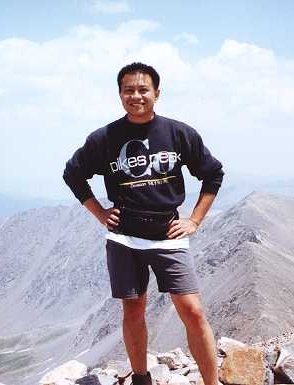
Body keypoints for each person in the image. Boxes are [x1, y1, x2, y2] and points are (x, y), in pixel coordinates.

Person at [63, 62, 224, 385]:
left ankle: (212, 383)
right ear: (120, 94)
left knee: (193, 311)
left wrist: (194, 220)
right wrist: (100, 213)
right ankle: (141, 379)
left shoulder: (179, 133)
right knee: (133, 311)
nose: (135, 96)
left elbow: (213, 174)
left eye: (143, 89)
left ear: (157, 93)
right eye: (128, 90)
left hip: (168, 235)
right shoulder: (104, 138)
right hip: (125, 239)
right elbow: (73, 174)